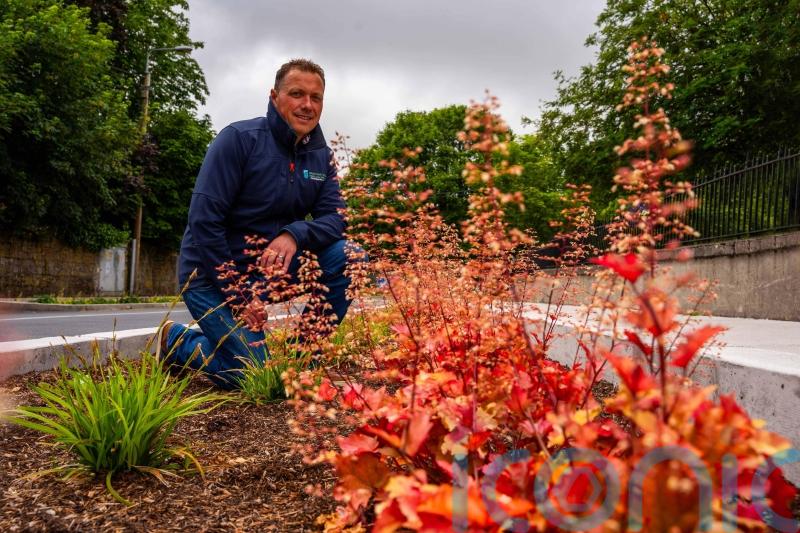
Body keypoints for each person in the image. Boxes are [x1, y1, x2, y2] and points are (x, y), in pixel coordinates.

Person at [157, 58, 359, 389]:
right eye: (296, 93)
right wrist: (238, 296)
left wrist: (294, 234)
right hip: (211, 276)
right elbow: (204, 223)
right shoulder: (238, 140)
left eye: (316, 97)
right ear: (274, 96)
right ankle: (179, 343)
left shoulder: (321, 156)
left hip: (269, 273)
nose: (307, 105)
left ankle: (300, 364)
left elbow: (336, 219)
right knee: (252, 375)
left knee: (351, 256)